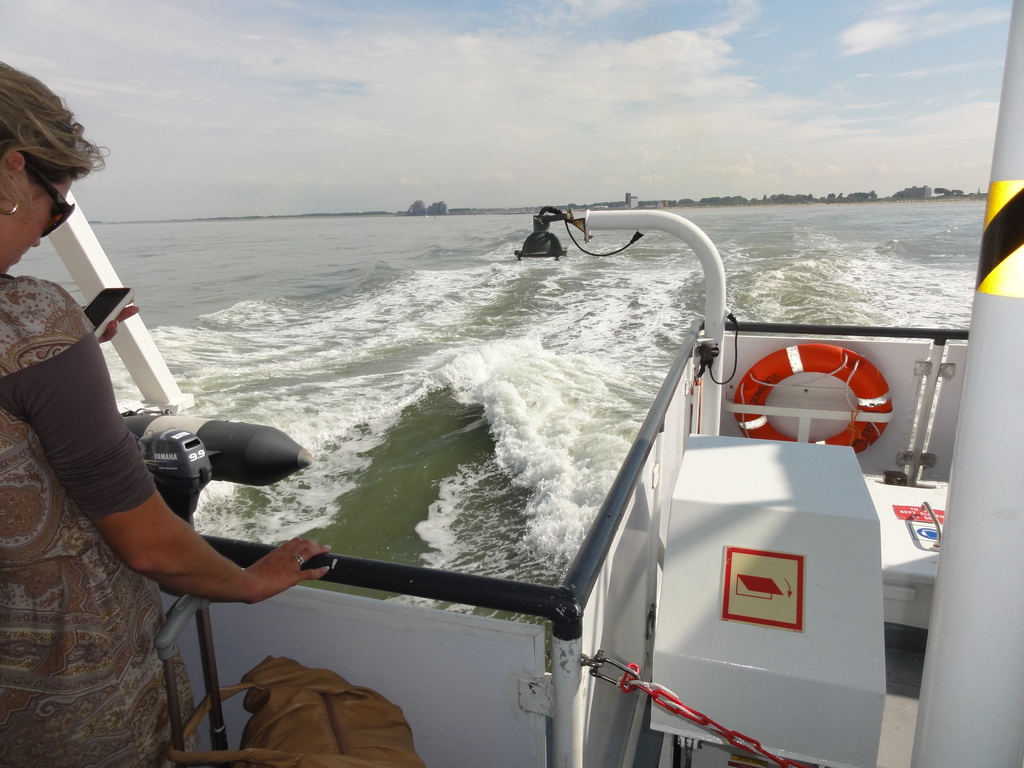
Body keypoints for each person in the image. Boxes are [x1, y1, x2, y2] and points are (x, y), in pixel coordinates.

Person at [0, 61, 331, 767]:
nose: (46, 232)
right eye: (56, 207)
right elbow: (148, 546)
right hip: (62, 697)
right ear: (11, 170)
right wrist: (251, 582)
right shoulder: (33, 325)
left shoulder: (39, 344)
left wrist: (66, 360)